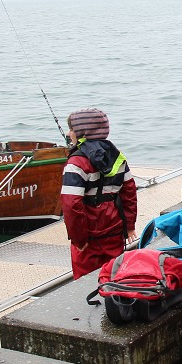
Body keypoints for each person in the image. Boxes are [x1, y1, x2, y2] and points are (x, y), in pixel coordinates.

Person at [61, 108, 138, 280]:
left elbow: (71, 204)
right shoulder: (117, 157)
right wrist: (129, 225)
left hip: (89, 234)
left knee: (86, 281)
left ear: (82, 133)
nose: (69, 133)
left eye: (72, 129)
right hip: (114, 228)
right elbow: (129, 192)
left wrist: (79, 239)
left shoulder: (76, 162)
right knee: (114, 274)